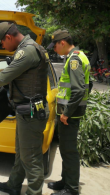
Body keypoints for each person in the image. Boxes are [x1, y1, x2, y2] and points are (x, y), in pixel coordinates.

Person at [0, 22, 50, 195]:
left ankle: (34, 192)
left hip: (31, 113)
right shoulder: (30, 48)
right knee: (22, 153)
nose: (3, 46)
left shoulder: (28, 50)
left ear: (9, 37)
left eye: (2, 42)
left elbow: (8, 73)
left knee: (31, 158)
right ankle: (13, 184)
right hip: (26, 111)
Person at [46, 30, 90, 195]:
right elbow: (89, 84)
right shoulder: (79, 56)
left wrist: (67, 113)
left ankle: (71, 189)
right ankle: (65, 181)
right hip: (71, 113)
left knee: (69, 151)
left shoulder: (75, 59)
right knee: (65, 149)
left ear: (62, 43)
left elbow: (78, 90)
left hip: (69, 115)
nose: (55, 49)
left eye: (55, 46)